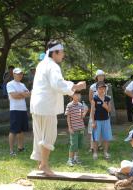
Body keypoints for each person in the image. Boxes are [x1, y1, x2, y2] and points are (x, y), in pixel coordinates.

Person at [30, 40, 86, 176]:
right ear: (54, 53)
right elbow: (58, 84)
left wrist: (71, 87)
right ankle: (44, 165)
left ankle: (41, 164)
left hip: (37, 106)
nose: (63, 55)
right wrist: (77, 86)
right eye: (61, 52)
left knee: (39, 136)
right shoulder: (52, 66)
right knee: (48, 135)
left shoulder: (42, 64)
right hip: (46, 106)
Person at [6, 68, 31, 156]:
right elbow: (14, 96)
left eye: (21, 73)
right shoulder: (10, 84)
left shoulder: (22, 84)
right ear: (13, 74)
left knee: (21, 130)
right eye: (18, 73)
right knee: (13, 130)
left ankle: (20, 147)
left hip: (23, 109)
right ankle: (11, 150)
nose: (20, 75)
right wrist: (22, 94)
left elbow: (28, 94)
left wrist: (20, 94)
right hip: (15, 110)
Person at [90, 81, 113, 160]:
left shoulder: (107, 98)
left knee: (106, 137)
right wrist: (93, 122)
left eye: (103, 88)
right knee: (96, 138)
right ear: (97, 89)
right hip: (97, 121)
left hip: (106, 120)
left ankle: (105, 152)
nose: (102, 90)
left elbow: (110, 110)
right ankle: (95, 153)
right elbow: (92, 111)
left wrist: (105, 106)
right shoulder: (95, 98)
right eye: (100, 88)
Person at [65, 91, 88, 166]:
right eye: (77, 95)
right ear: (72, 95)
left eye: (79, 95)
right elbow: (68, 117)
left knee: (79, 144)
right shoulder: (69, 105)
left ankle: (76, 158)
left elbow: (81, 117)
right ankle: (70, 160)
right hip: (73, 129)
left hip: (81, 128)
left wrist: (85, 111)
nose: (78, 96)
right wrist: (70, 128)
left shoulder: (80, 105)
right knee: (73, 144)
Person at [88, 69, 108, 152]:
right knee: (93, 127)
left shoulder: (106, 86)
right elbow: (90, 98)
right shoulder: (92, 86)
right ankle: (92, 147)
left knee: (102, 127)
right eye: (99, 76)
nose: (101, 77)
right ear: (96, 77)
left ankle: (99, 145)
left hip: (103, 110)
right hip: (95, 110)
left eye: (102, 76)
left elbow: (106, 98)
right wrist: (95, 107)